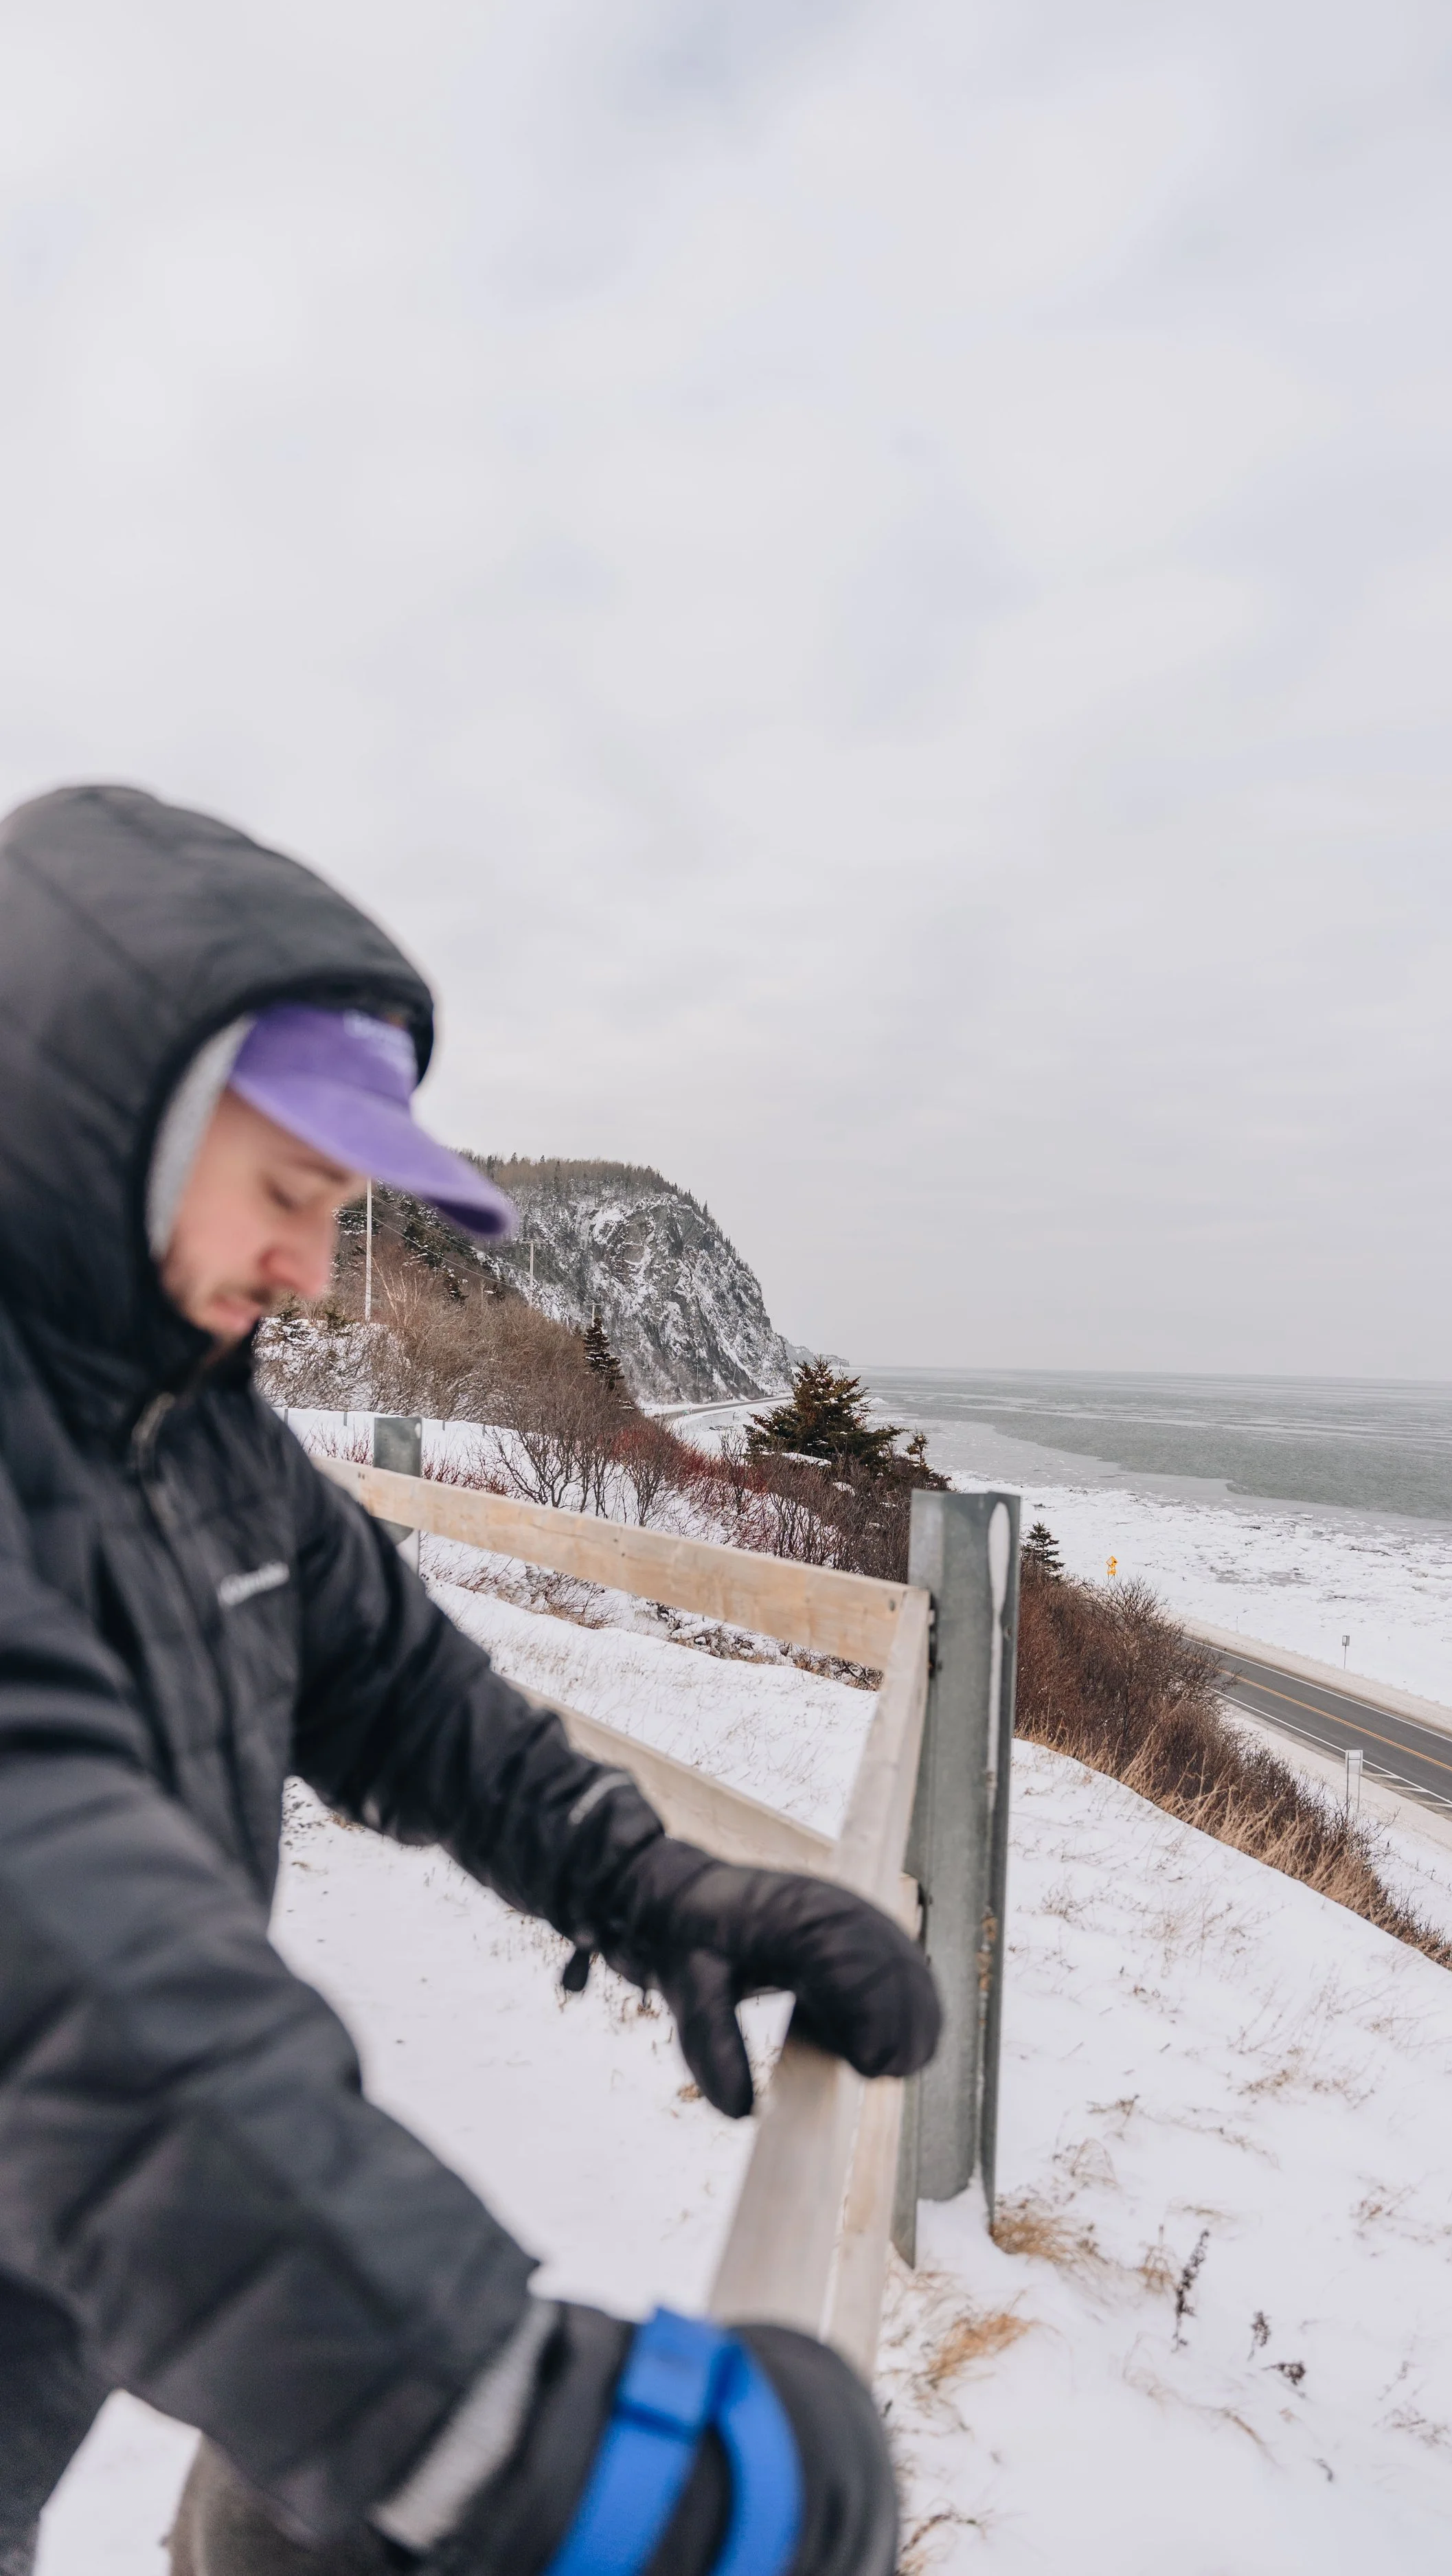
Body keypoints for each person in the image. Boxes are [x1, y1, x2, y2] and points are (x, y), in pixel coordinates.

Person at [0, 785, 940, 2576]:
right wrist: (508, 2431)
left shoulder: (191, 1431)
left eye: (337, 1206)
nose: (308, 1263)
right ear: (99, 1129)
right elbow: (66, 1979)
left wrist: (655, 1887)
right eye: (286, 1191)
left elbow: (413, 1702)